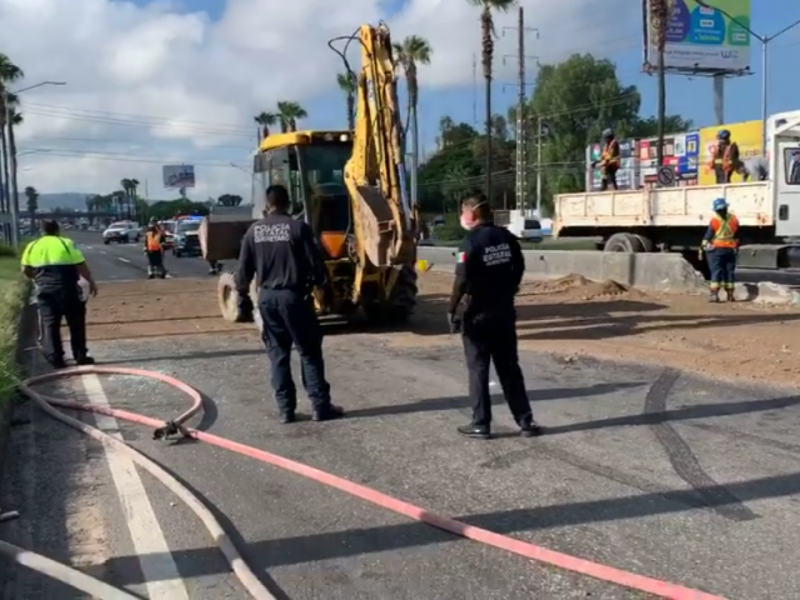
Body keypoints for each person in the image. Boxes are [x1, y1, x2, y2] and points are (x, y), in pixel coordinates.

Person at [235, 183, 343, 423]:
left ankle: (286, 410)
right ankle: (320, 407)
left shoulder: (254, 231)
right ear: (288, 204)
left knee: (278, 355)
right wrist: (324, 290)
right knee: (309, 352)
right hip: (294, 297)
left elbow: (242, 272)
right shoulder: (298, 228)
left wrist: (242, 299)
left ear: (267, 205)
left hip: (268, 299)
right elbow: (316, 267)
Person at [447, 195, 542, 439]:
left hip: (478, 314)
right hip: (504, 311)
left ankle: (481, 423)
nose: (461, 217)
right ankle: (525, 421)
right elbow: (519, 266)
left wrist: (452, 309)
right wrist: (509, 289)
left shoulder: (469, 242)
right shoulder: (507, 237)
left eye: (463, 212)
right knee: (510, 367)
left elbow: (462, 279)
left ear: (471, 215)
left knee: (478, 368)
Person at [20, 220, 98, 369]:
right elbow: (80, 265)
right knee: (76, 322)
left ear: (41, 231)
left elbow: (25, 269)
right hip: (67, 287)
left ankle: (56, 358)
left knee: (50, 324)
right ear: (57, 230)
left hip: (45, 290)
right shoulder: (66, 243)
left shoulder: (32, 246)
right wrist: (91, 282)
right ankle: (80, 355)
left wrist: (36, 279)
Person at [701, 197, 739, 302]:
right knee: (729, 272)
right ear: (726, 208)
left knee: (716, 271)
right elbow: (737, 234)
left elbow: (708, 235)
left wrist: (703, 246)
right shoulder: (734, 219)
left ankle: (714, 295)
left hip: (717, 249)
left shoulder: (715, 220)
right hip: (730, 249)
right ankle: (730, 295)